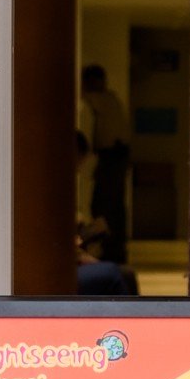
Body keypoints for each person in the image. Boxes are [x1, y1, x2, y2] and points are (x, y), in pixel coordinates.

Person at [80, 65, 131, 263]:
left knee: (106, 206)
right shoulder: (109, 99)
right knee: (110, 205)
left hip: (113, 155)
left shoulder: (103, 100)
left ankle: (112, 251)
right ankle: (113, 250)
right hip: (112, 156)